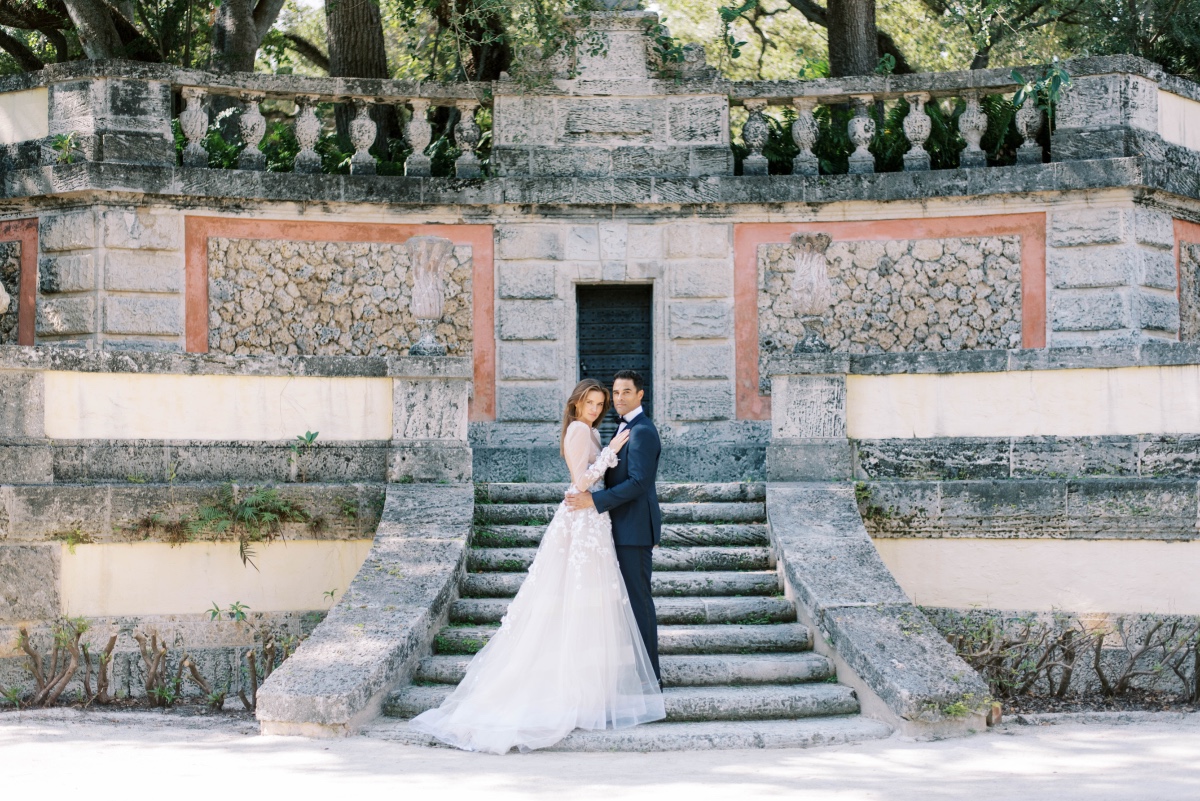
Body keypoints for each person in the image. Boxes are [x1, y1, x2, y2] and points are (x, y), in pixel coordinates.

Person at [409, 378, 665, 754]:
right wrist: (609, 454)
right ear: (576, 404)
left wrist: (604, 463)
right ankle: (595, 682)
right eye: (591, 402)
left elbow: (629, 480)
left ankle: (606, 680)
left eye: (601, 403)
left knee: (602, 602)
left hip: (599, 520)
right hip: (586, 518)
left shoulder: (610, 430)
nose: (597, 409)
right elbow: (581, 480)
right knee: (583, 598)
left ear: (637, 396)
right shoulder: (582, 431)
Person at [565, 370, 663, 686]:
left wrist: (594, 502)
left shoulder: (643, 431)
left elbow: (638, 483)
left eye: (626, 392)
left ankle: (651, 678)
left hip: (633, 529)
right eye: (616, 393)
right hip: (616, 526)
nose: (619, 398)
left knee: (638, 601)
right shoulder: (622, 428)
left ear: (640, 395)